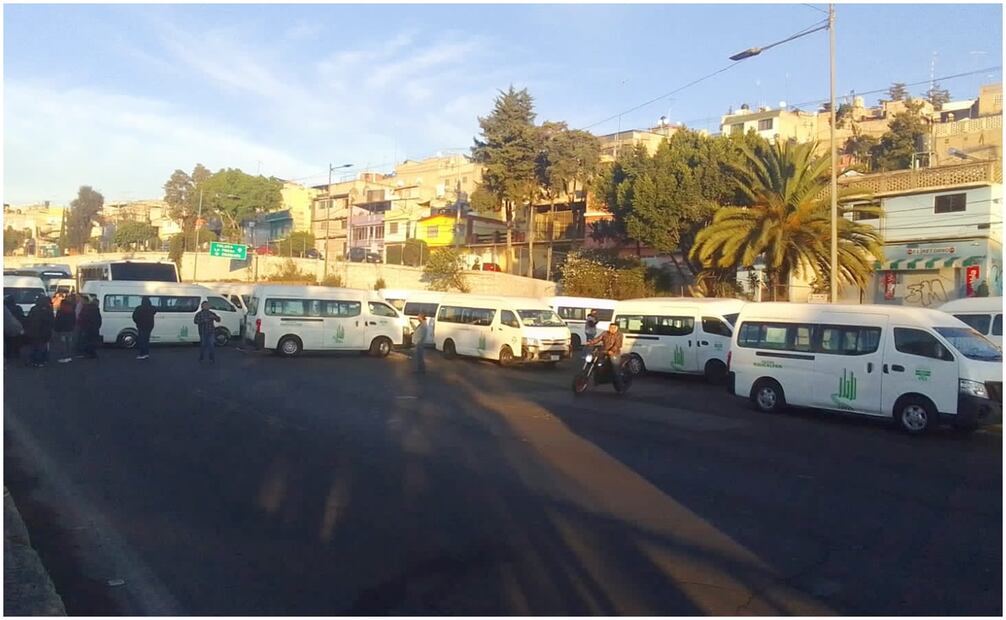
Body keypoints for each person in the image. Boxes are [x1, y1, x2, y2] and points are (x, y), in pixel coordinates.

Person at [587, 322, 625, 391]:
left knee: (616, 370)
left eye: (614, 328)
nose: (612, 329)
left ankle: (620, 388)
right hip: (604, 352)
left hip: (614, 353)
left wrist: (612, 351)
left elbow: (618, 344)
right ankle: (597, 380)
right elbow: (598, 338)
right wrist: (590, 342)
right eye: (611, 327)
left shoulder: (619, 335)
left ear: (617, 328)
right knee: (596, 363)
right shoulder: (605, 333)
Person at [25, 295, 54, 368]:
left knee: (34, 347)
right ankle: (41, 360)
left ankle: (34, 360)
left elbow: (28, 319)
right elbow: (51, 321)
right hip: (44, 332)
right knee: (42, 347)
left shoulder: (34, 309)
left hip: (33, 332)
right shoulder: (48, 310)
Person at [52, 296, 76, 363]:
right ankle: (69, 356)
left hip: (63, 330)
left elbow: (58, 321)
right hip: (70, 329)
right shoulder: (72, 311)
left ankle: (64, 356)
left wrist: (56, 329)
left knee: (63, 343)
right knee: (69, 343)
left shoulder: (61, 311)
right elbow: (74, 320)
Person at [4, 295, 26, 362]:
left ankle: (8, 355)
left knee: (8, 342)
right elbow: (22, 317)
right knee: (17, 341)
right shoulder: (18, 308)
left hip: (6, 327)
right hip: (17, 326)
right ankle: (17, 353)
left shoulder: (5, 308)